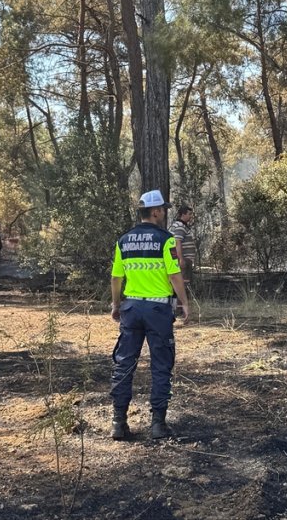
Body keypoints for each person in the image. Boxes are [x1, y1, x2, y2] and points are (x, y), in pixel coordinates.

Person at [110, 189, 189, 441]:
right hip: (158, 309)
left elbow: (116, 277)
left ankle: (118, 422)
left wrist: (115, 305)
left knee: (124, 363)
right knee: (161, 364)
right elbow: (174, 274)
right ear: (155, 211)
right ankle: (157, 424)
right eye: (162, 209)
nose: (164, 213)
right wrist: (184, 302)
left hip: (131, 308)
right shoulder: (165, 240)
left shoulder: (124, 240)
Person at [168, 205, 196, 315]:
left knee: (180, 283)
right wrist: (181, 259)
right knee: (182, 284)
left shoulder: (179, 226)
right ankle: (179, 309)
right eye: (189, 214)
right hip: (183, 259)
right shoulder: (180, 226)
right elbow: (177, 242)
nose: (190, 216)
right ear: (183, 214)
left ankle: (177, 308)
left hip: (183, 259)